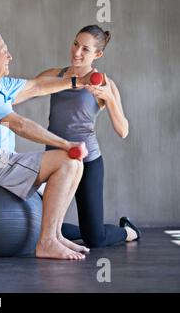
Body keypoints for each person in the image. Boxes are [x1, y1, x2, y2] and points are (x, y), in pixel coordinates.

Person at [0, 29, 96, 260]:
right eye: (4, 52)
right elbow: (18, 124)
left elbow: (37, 86)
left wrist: (78, 81)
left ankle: (55, 236)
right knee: (67, 161)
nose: (10, 57)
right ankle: (46, 242)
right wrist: (65, 144)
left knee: (74, 163)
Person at [35, 25, 141, 247]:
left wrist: (109, 98)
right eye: (75, 44)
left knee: (94, 238)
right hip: (54, 160)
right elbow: (25, 89)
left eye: (85, 49)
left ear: (97, 55)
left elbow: (123, 131)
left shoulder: (104, 84)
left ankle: (128, 232)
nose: (77, 52)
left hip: (87, 161)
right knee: (40, 224)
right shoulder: (56, 75)